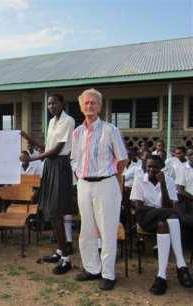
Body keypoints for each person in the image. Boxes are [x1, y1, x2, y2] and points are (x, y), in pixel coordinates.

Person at [71, 88, 128, 290]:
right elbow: (75, 159)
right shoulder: (77, 132)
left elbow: (122, 160)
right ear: (80, 107)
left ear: (100, 106)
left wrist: (112, 179)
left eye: (93, 103)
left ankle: (108, 274)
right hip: (84, 185)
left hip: (106, 184)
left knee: (107, 230)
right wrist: (79, 176)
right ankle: (91, 268)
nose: (89, 106)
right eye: (86, 103)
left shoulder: (110, 130)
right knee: (86, 230)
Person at [22, 93, 75, 275]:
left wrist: (32, 158)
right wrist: (27, 137)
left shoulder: (68, 121)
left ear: (62, 103)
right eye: (49, 103)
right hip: (49, 166)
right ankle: (60, 251)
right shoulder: (52, 122)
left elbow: (57, 150)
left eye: (54, 103)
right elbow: (46, 147)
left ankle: (66, 260)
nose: (51, 106)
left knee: (56, 212)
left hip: (60, 166)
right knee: (50, 212)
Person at [130, 155, 193, 295]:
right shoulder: (139, 180)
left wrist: (163, 184)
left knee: (164, 223)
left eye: (155, 167)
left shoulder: (168, 180)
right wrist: (163, 211)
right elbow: (139, 207)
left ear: (161, 168)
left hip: (162, 220)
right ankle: (181, 265)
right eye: (149, 166)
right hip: (145, 219)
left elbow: (167, 205)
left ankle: (161, 276)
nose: (152, 169)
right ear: (145, 167)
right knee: (172, 214)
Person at [175, 148, 193, 229]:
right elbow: (180, 190)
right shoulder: (182, 168)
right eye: (190, 154)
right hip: (187, 201)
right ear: (187, 156)